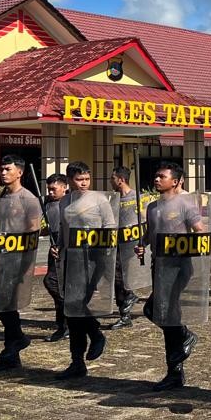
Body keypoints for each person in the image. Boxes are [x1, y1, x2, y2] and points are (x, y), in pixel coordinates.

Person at [138, 161, 207, 391]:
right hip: (159, 265)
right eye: (156, 176)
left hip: (178, 265)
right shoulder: (152, 207)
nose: (157, 179)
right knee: (165, 315)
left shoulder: (186, 205)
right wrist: (143, 243)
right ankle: (174, 371)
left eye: (162, 176)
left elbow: (200, 231)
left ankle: (185, 336)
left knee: (156, 310)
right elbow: (150, 233)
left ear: (176, 181)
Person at [55, 161, 116, 379]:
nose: (83, 183)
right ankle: (77, 360)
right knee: (72, 310)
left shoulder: (99, 200)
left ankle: (96, 334)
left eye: (87, 179)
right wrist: (59, 248)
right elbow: (63, 231)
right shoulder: (64, 202)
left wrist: (106, 260)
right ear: (70, 180)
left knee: (78, 304)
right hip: (71, 260)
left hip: (93, 259)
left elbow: (110, 228)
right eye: (79, 179)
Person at [0, 155, 43, 372]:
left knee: (5, 302)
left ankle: (14, 344)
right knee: (0, 300)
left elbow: (33, 232)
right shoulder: (2, 197)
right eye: (1, 169)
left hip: (18, 259)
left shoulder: (28, 199)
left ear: (20, 172)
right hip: (3, 256)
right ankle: (13, 349)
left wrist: (26, 266)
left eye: (8, 169)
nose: (3, 172)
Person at [109, 166, 141, 330]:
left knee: (121, 278)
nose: (111, 181)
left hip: (132, 246)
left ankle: (126, 307)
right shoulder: (113, 200)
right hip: (116, 245)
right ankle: (125, 313)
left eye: (113, 178)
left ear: (121, 180)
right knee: (117, 280)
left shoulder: (137, 198)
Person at [41, 172, 70, 343]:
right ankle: (63, 326)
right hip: (53, 250)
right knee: (57, 285)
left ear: (64, 187)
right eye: (49, 189)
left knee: (52, 282)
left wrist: (62, 247)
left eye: (54, 189)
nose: (51, 193)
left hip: (66, 250)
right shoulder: (46, 203)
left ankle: (71, 314)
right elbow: (50, 227)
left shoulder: (69, 204)